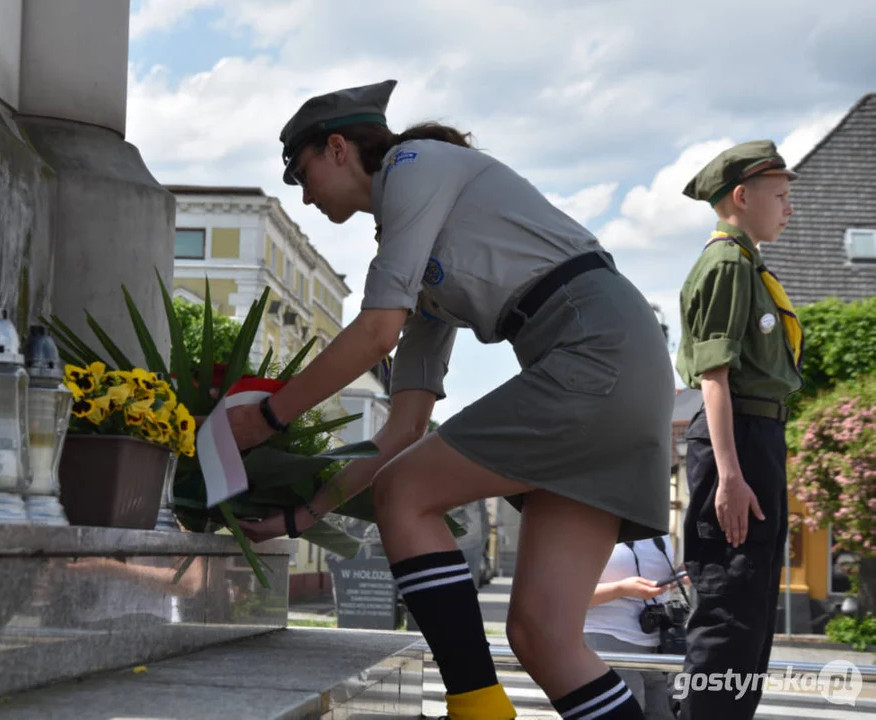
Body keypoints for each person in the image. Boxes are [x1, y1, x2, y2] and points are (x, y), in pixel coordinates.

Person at [232, 79, 675, 720]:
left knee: (409, 494)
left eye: (302, 174)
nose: (303, 196)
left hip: (595, 346)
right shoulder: (414, 251)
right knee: (543, 636)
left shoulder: (415, 165)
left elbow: (377, 331)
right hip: (610, 360)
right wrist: (305, 515)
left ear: (337, 148)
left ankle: (474, 711)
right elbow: (400, 430)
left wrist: (271, 416)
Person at [675, 140, 803, 719]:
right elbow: (714, 376)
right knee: (728, 608)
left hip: (757, 439)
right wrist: (729, 474)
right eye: (780, 196)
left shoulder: (746, 262)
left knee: (748, 611)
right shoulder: (727, 263)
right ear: (742, 196)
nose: (789, 208)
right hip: (738, 440)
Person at [584, 536, 682, 720]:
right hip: (607, 639)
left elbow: (657, 583)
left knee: (664, 714)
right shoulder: (589, 526)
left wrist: (678, 577)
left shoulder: (658, 529)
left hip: (660, 642)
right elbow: (565, 596)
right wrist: (621, 589)